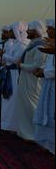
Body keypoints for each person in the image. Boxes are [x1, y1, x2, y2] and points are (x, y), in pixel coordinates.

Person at [12, 21, 47, 141]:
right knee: (24, 105)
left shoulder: (41, 46)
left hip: (33, 82)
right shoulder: (32, 44)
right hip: (25, 80)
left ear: (37, 32)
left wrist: (21, 65)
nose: (27, 32)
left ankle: (35, 134)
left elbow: (36, 66)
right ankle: (25, 133)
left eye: (30, 30)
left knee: (32, 106)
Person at [0, 21, 30, 132]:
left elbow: (16, 60)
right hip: (9, 72)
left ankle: (12, 126)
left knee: (12, 100)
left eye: (11, 31)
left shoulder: (23, 44)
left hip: (15, 75)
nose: (9, 33)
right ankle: (5, 124)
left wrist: (2, 54)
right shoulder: (15, 43)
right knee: (7, 100)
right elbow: (9, 57)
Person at [33, 19, 55, 154]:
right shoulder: (51, 46)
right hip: (48, 85)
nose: (47, 31)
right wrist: (42, 70)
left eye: (50, 29)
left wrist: (44, 72)